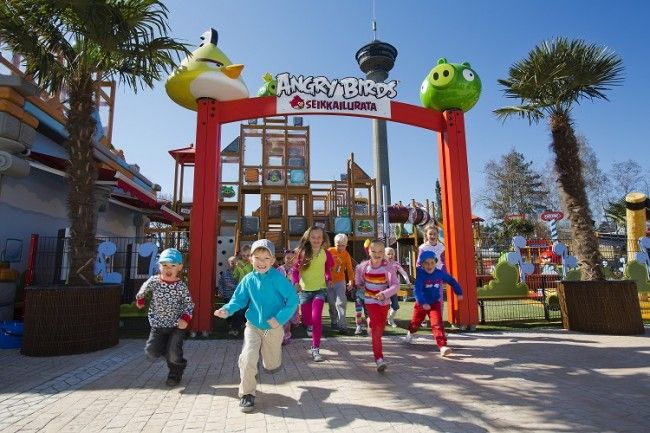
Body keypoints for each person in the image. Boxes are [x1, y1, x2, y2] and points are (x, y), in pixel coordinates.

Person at [214, 239, 299, 413]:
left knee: (271, 364)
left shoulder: (278, 278)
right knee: (248, 357)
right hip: (253, 325)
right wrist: (227, 309)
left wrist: (280, 319)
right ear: (250, 259)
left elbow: (293, 300)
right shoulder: (248, 279)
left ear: (273, 260)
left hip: (273, 327)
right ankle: (247, 394)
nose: (261, 262)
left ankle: (271, 362)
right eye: (257, 258)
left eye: (266, 258)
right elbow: (239, 299)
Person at [136, 248, 194, 387]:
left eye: (173, 265)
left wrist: (185, 318)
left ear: (179, 267)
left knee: (173, 354)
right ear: (159, 266)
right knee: (151, 352)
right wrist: (140, 299)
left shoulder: (180, 286)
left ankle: (175, 373)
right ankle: (167, 350)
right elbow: (143, 289)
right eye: (165, 265)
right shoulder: (154, 281)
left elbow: (189, 304)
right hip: (158, 324)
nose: (168, 269)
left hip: (176, 325)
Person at [404, 251, 463, 357]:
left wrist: (458, 292)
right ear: (422, 264)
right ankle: (410, 332)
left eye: (432, 262)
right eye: (426, 263)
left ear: (436, 262)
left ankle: (442, 346)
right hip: (421, 305)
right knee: (415, 324)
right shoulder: (421, 275)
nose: (429, 265)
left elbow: (451, 281)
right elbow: (417, 291)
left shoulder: (439, 273)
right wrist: (423, 302)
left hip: (435, 304)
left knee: (437, 324)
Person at [354, 239, 399, 372]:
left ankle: (371, 324)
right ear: (369, 251)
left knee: (380, 326)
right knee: (377, 330)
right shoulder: (364, 267)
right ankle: (379, 359)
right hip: (370, 301)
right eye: (374, 251)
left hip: (384, 302)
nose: (377, 254)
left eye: (380, 251)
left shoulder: (388, 267)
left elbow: (395, 285)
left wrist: (384, 294)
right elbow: (358, 276)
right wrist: (359, 284)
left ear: (383, 252)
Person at [291, 225, 334, 362]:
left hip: (319, 290)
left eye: (319, 237)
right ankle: (308, 325)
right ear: (308, 238)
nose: (316, 240)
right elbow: (295, 271)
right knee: (307, 320)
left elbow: (327, 269)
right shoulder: (302, 253)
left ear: (323, 239)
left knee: (316, 319)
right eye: (313, 237)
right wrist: (296, 283)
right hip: (304, 291)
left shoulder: (326, 254)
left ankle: (315, 349)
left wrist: (328, 278)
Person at [327, 233, 355, 334]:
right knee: (331, 304)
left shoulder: (346, 254)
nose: (340, 247)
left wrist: (351, 281)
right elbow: (324, 267)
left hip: (340, 281)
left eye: (343, 245)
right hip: (329, 281)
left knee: (341, 302)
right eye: (338, 245)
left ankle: (342, 325)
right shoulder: (329, 251)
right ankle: (334, 320)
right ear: (335, 244)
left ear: (346, 245)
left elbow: (350, 270)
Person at [217, 256, 246, 336]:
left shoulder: (240, 273)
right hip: (228, 296)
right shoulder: (225, 273)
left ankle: (235, 328)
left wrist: (235, 286)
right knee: (228, 313)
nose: (233, 264)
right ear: (228, 264)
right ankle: (231, 324)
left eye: (235, 263)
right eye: (231, 263)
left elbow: (241, 283)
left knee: (237, 312)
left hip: (237, 297)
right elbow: (221, 283)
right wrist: (221, 291)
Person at [277, 249, 301, 345]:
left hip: (292, 299)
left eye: (292, 258)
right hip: (282, 299)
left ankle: (296, 320)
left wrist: (297, 286)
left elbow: (299, 284)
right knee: (284, 319)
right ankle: (285, 337)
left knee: (294, 319)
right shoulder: (279, 270)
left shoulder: (296, 271)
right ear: (284, 259)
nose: (290, 260)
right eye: (288, 258)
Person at [384, 246, 412, 327]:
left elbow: (403, 273)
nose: (390, 255)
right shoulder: (381, 264)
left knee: (395, 305)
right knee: (383, 306)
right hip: (383, 288)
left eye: (392, 254)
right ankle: (383, 320)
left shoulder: (396, 264)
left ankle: (391, 319)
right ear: (384, 255)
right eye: (388, 254)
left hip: (392, 288)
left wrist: (408, 281)